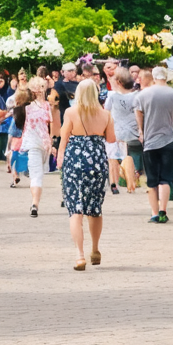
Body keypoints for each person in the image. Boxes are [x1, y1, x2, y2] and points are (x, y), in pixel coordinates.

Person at [57, 80, 115, 270]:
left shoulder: (71, 112)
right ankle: (95, 249)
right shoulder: (105, 114)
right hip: (97, 161)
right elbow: (111, 138)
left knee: (76, 210)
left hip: (75, 161)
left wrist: (60, 159)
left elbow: (64, 136)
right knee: (95, 208)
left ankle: (79, 256)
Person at [135, 66, 173, 223]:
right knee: (165, 179)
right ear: (167, 77)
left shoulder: (143, 95)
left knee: (152, 181)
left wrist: (141, 131)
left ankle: (154, 213)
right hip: (169, 141)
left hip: (150, 143)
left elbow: (138, 113)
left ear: (153, 77)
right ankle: (164, 211)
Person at [18, 77, 60, 217]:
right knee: (38, 174)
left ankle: (35, 203)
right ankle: (35, 203)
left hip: (34, 143)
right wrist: (52, 140)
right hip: (42, 144)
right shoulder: (46, 106)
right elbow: (53, 125)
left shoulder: (27, 107)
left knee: (36, 176)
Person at [105, 71, 139, 193]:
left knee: (112, 157)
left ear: (119, 82)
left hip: (115, 130)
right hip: (132, 131)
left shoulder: (113, 96)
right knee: (127, 157)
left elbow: (106, 112)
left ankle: (114, 184)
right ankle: (131, 183)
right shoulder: (136, 96)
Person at [6, 86, 30, 187]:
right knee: (26, 157)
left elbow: (12, 130)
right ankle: (27, 171)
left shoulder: (16, 112)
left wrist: (8, 145)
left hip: (16, 140)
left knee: (13, 158)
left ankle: (15, 176)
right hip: (27, 138)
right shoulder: (30, 110)